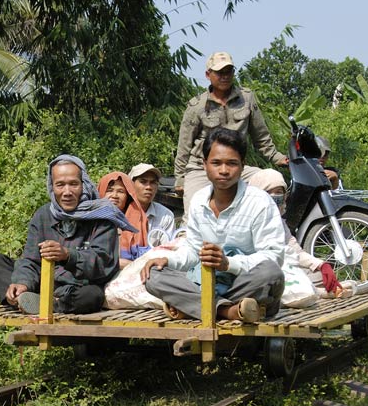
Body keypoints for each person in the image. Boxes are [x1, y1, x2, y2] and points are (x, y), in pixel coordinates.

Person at [142, 127, 285, 322]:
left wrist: (228, 264)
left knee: (271, 273)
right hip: (204, 284)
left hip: (244, 285)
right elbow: (192, 250)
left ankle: (195, 308)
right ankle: (227, 311)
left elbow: (273, 256)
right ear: (205, 165)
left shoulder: (260, 202)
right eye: (216, 163)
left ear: (243, 165)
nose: (224, 171)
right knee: (153, 275)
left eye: (232, 163)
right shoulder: (199, 200)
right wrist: (169, 261)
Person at [0, 155, 136, 315]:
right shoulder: (43, 215)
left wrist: (68, 255)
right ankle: (21, 298)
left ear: (83, 185)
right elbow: (31, 260)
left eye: (73, 184)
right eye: (60, 185)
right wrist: (22, 283)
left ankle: (50, 306)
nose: (67, 192)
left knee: (92, 295)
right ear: (52, 187)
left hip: (76, 288)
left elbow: (103, 264)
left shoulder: (101, 216)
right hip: (44, 283)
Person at [174, 51, 288, 217]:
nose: (224, 76)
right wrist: (180, 179)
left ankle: (276, 231)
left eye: (228, 71)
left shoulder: (247, 99)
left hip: (236, 167)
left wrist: (279, 158)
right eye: (219, 72)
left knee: (273, 180)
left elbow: (261, 138)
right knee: (193, 216)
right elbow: (184, 147)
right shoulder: (196, 106)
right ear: (208, 75)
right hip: (201, 168)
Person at [248, 168, 355, 301]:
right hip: (262, 270)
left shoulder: (279, 222)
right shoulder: (248, 219)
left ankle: (318, 290)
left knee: (318, 275)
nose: (275, 197)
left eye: (279, 192)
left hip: (286, 265)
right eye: (269, 192)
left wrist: (320, 264)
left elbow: (294, 249)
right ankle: (318, 292)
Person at [98, 171, 149, 268]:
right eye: (109, 190)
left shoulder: (138, 220)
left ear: (128, 197)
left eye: (121, 191)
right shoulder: (89, 221)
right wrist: (117, 263)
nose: (114, 195)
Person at [127, 163, 177, 246]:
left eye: (153, 182)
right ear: (131, 184)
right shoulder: (121, 212)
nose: (149, 187)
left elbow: (167, 250)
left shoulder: (165, 216)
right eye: (143, 182)